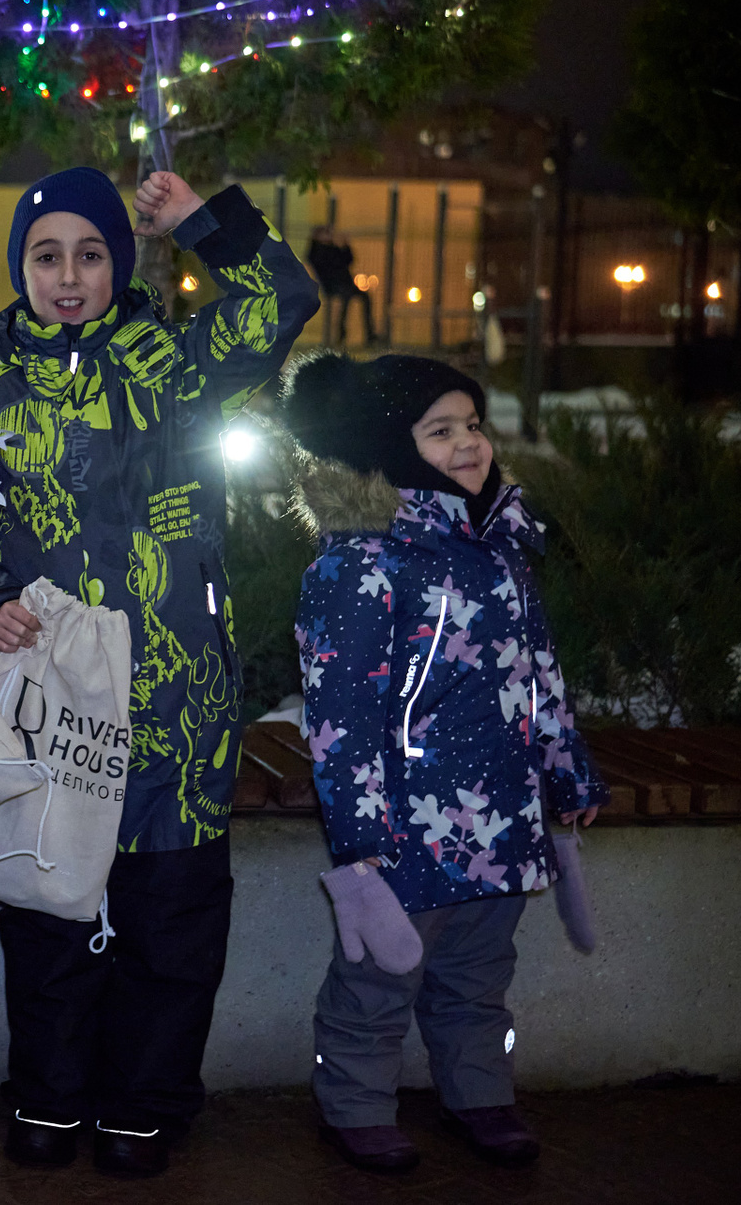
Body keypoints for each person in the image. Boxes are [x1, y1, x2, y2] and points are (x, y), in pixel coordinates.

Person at [0, 168, 319, 1175]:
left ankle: (146, 1102)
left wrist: (201, 224)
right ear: (20, 268)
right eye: (46, 256)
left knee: (170, 916)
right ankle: (50, 1095)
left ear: (121, 262)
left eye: (91, 254)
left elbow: (285, 298)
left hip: (178, 700)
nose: (68, 277)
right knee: (50, 912)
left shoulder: (177, 366)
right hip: (52, 702)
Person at [280, 351, 606, 1174]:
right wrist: (359, 838)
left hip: (502, 814)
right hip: (405, 827)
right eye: (439, 430)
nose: (468, 443)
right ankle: (355, 1107)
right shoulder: (361, 565)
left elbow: (540, 675)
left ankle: (481, 1095)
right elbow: (341, 714)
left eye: (473, 425)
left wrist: (566, 770)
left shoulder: (500, 551)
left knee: (478, 976)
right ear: (391, 446)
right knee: (377, 980)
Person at [307, 225, 375, 345]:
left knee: (365, 297)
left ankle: (370, 334)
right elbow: (329, 264)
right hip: (332, 285)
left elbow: (349, 261)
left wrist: (345, 246)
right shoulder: (317, 251)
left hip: (345, 284)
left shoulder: (333, 248)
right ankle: (341, 333)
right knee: (346, 296)